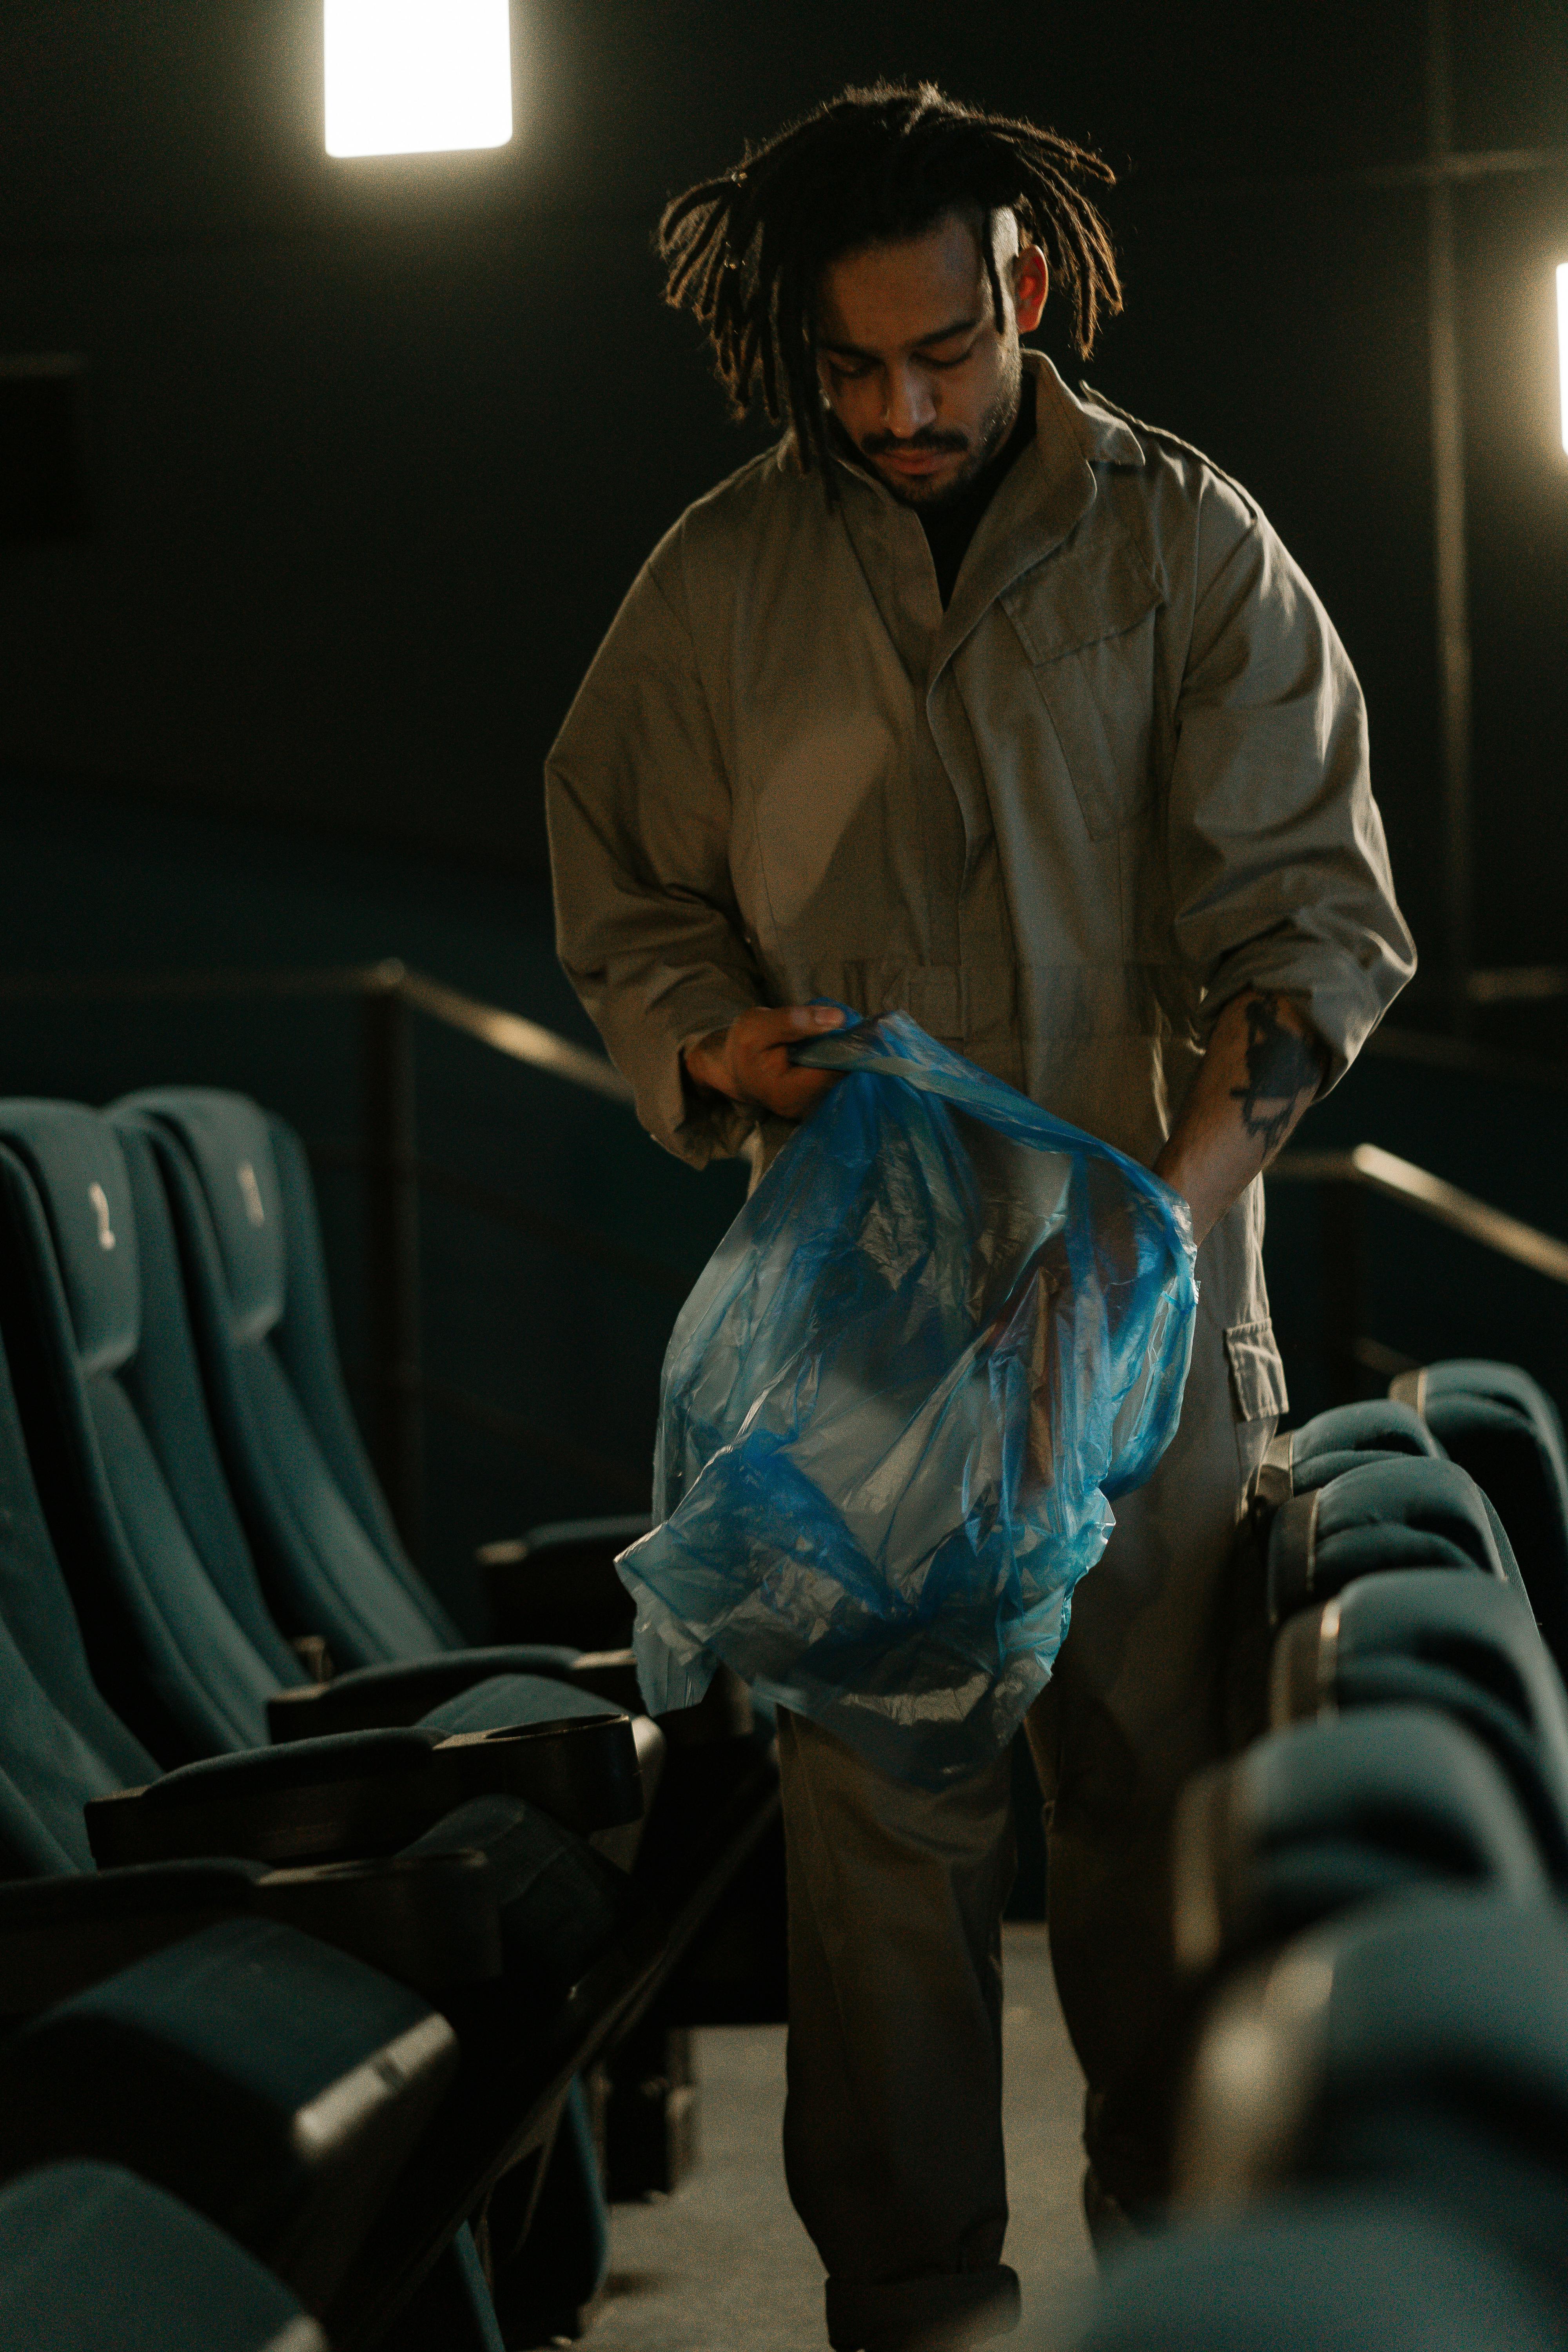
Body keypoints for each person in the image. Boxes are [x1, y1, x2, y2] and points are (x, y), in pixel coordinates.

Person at [546, 82, 1414, 2352]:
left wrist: (1157, 1228)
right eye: (847, 369)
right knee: (874, 1894)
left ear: (1025, 288)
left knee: (1157, 1878)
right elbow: (621, 884)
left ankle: (1178, 2307)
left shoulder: (1183, 547)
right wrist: (715, 1046)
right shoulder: (723, 579)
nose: (899, 408)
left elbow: (1313, 937)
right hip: (856, 1351)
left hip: (1144, 1347)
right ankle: (916, 2315)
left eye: (939, 351)